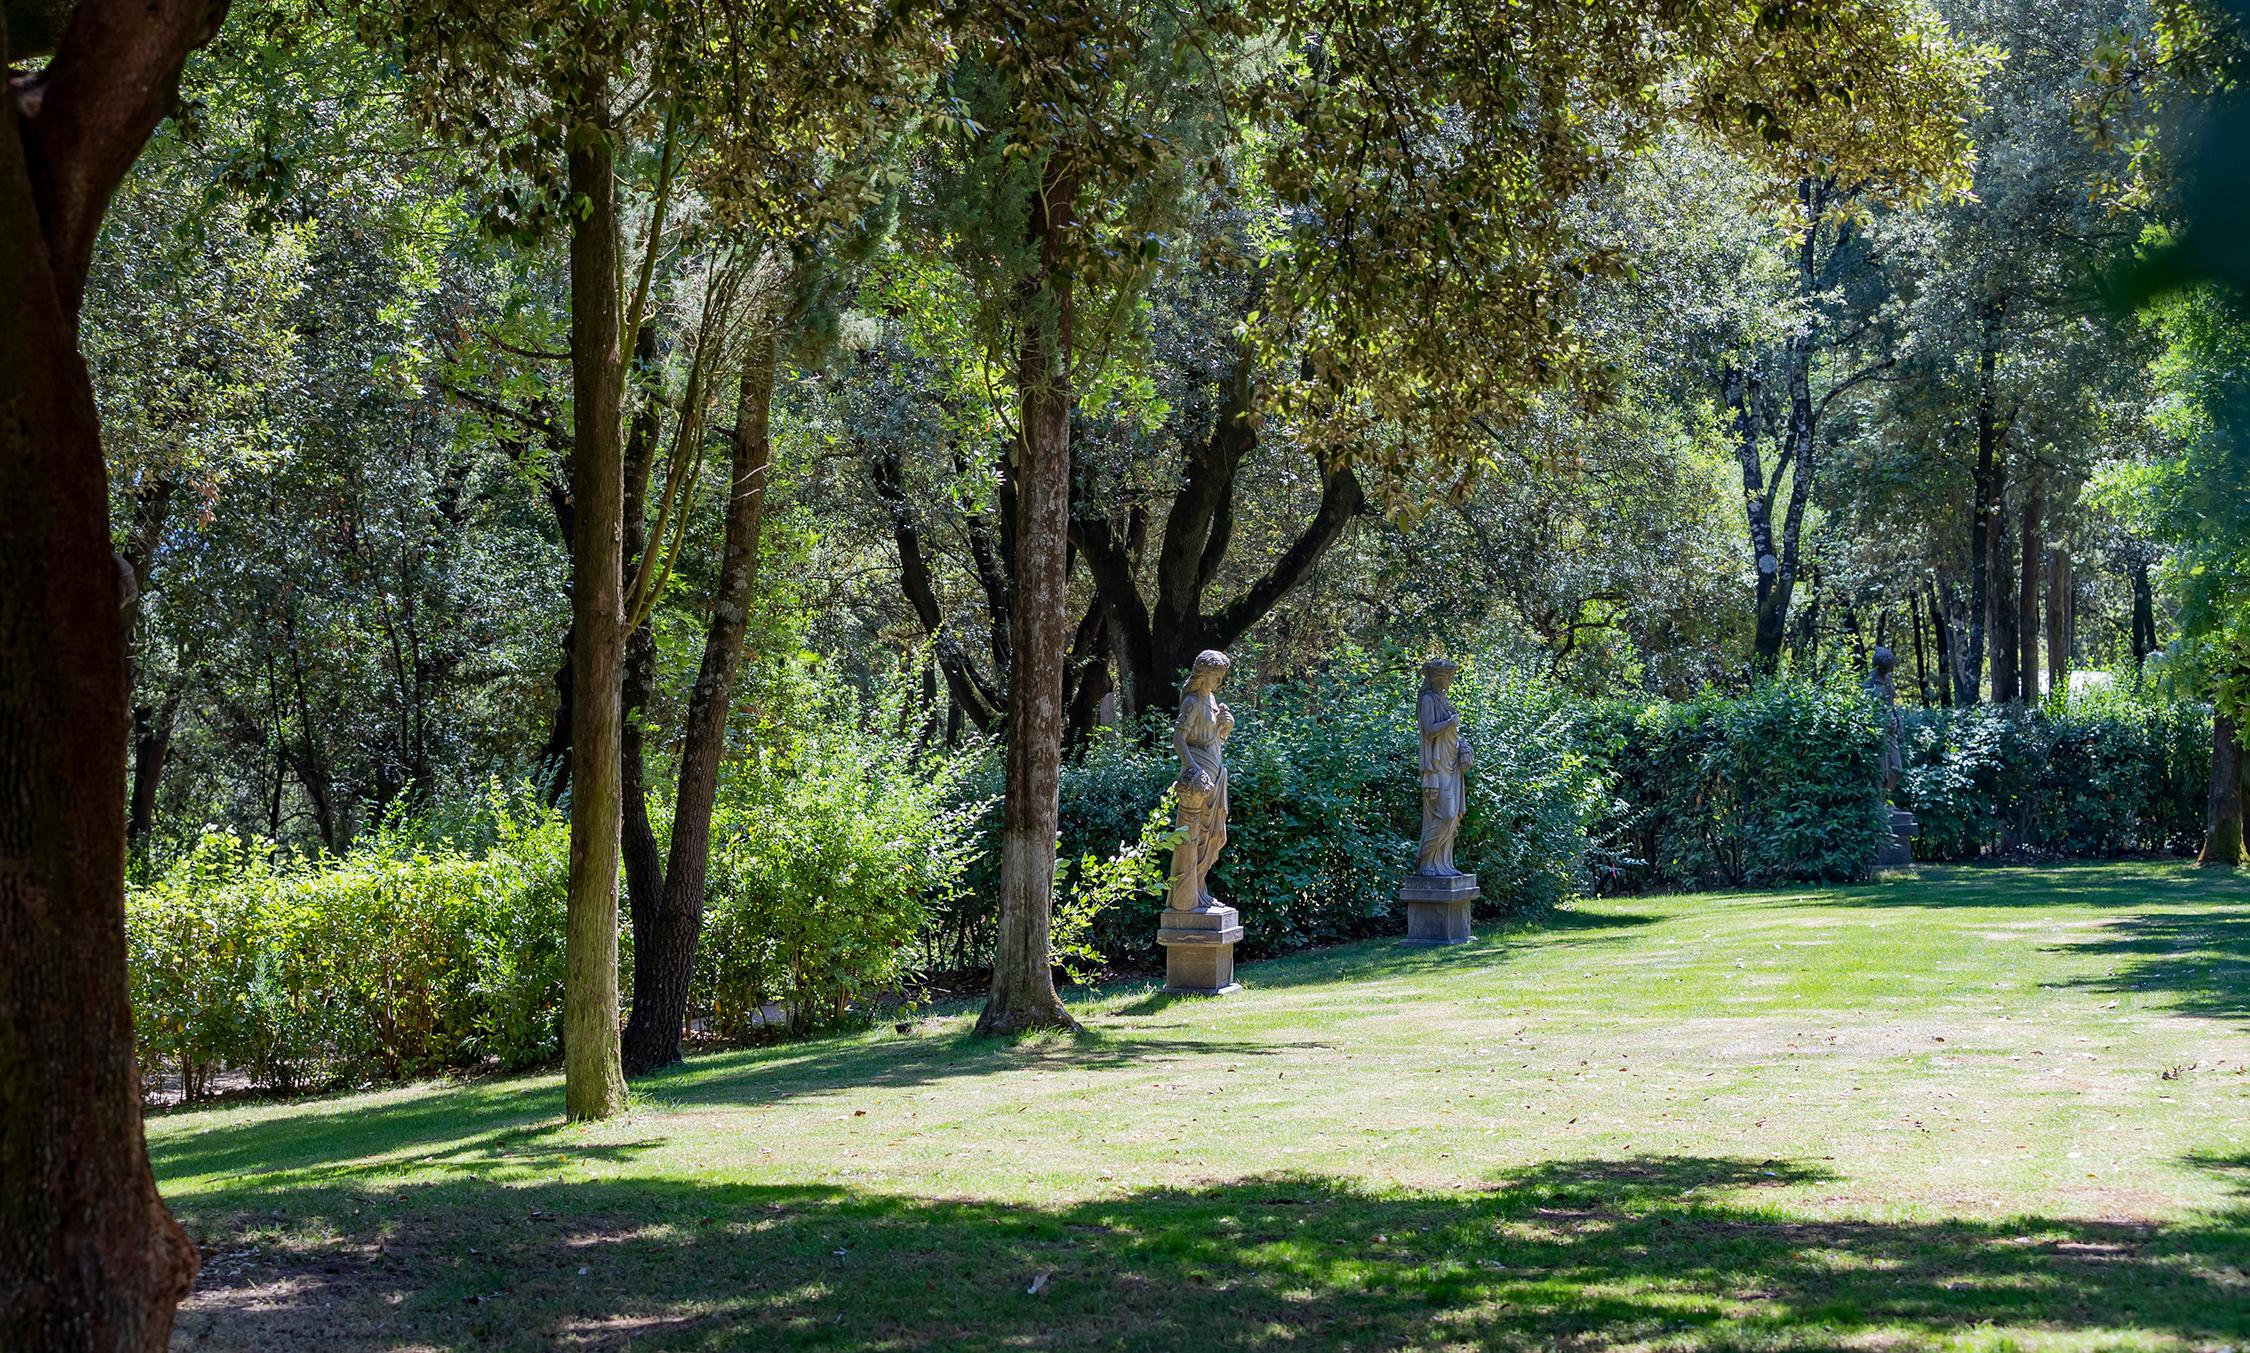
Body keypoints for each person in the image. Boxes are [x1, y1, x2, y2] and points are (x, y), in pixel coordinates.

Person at [1167, 650, 1234, 911]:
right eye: (1216, 677)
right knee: (1195, 835)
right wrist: (1193, 769)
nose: (1219, 682)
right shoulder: (1192, 701)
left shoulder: (1212, 699)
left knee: (1212, 837)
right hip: (1200, 775)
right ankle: (1188, 897)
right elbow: (1179, 739)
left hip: (1215, 772)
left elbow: (1213, 739)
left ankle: (1200, 891)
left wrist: (1224, 727)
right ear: (1203, 675)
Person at [1416, 657, 1472, 876]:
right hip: (1436, 764)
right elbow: (1429, 730)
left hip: (1451, 763)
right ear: (1436, 678)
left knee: (1454, 816)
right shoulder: (1427, 700)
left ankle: (1444, 864)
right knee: (1444, 814)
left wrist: (1463, 747)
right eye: (1445, 677)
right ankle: (1426, 861)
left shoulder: (1444, 699)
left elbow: (1452, 734)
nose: (1448, 681)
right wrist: (1450, 722)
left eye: (1449, 677)